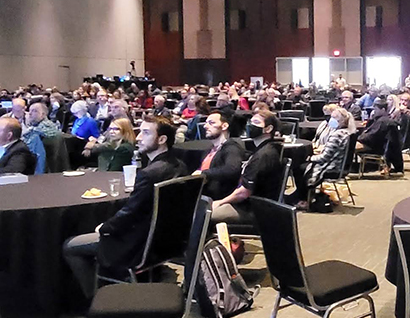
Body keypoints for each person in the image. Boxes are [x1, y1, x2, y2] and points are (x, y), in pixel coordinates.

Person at [61, 116, 189, 298]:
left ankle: (96, 299)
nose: (138, 137)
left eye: (146, 133)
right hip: (166, 244)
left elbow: (130, 214)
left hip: (137, 246)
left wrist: (104, 228)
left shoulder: (149, 174)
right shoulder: (180, 166)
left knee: (70, 246)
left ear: (162, 139)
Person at [210, 111, 286, 226]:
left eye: (256, 122)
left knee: (205, 214)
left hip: (254, 210)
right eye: (250, 122)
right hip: (251, 204)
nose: (250, 125)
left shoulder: (264, 155)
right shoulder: (263, 149)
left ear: (268, 129)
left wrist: (220, 202)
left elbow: (244, 193)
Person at [291, 106, 353, 207]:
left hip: (331, 166)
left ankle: (303, 198)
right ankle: (302, 195)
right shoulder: (345, 132)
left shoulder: (337, 135)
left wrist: (310, 158)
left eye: (334, 117)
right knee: (302, 166)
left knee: (298, 167)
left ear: (341, 121)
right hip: (337, 164)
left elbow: (325, 157)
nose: (331, 119)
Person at [195, 111, 246, 201]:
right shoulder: (210, 149)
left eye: (211, 123)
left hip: (219, 200)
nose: (205, 126)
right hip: (205, 196)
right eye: (206, 123)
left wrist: (204, 173)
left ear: (224, 126)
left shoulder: (232, 148)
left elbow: (232, 169)